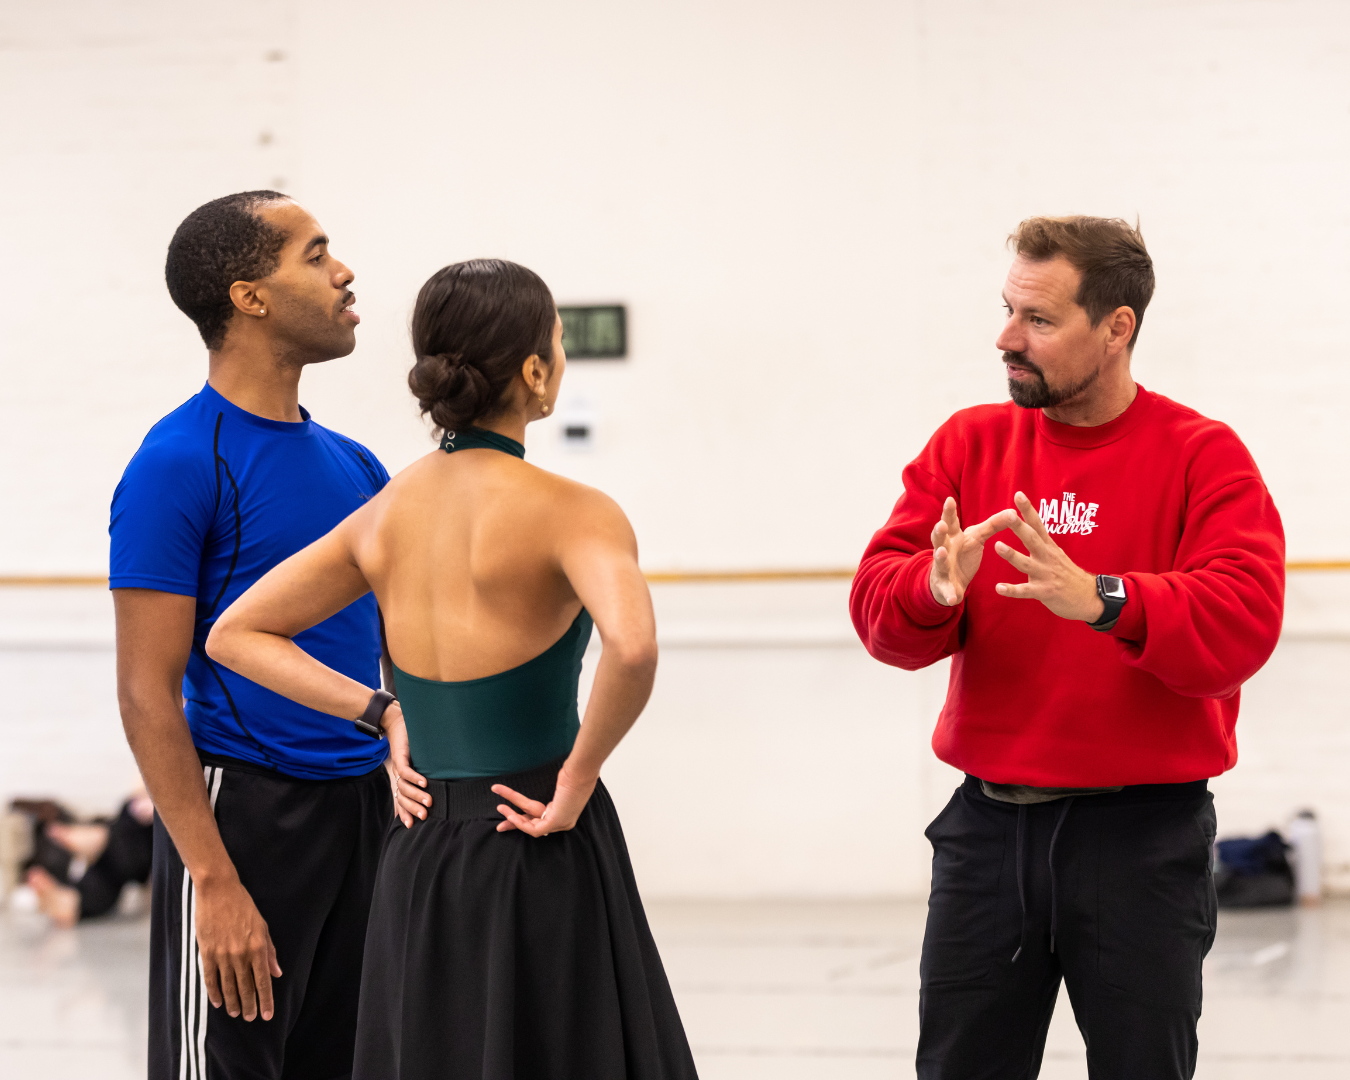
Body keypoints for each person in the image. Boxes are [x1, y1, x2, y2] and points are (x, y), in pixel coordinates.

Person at [205, 258, 699, 1079]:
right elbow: (635, 647)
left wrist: (384, 713)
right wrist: (576, 781)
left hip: (421, 853)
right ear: (536, 369)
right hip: (538, 841)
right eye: (560, 345)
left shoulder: (387, 510)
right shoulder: (577, 512)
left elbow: (236, 634)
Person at [850, 216, 1284, 1079]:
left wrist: (1104, 599)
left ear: (1117, 327)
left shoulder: (1202, 455)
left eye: (1039, 321)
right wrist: (932, 591)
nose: (1007, 339)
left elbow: (1242, 621)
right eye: (1009, 311)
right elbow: (878, 607)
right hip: (986, 835)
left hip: (1140, 841)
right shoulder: (968, 443)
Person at [111, 191, 414, 1080]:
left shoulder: (359, 465)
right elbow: (144, 691)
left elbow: (392, 646)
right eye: (316, 255)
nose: (345, 271)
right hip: (245, 818)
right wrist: (213, 880)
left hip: (365, 810)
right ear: (250, 297)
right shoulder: (177, 462)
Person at [21, 791, 156, 927]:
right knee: (109, 869)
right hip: (135, 838)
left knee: (126, 839)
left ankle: (100, 839)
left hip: (147, 841)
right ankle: (72, 899)